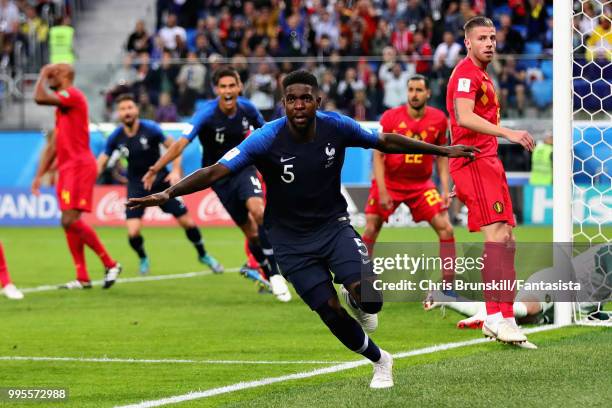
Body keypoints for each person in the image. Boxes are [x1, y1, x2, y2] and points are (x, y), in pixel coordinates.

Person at [127, 70, 477, 388]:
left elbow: (385, 141)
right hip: (289, 240)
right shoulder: (266, 138)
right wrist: (169, 192)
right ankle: (381, 361)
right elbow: (217, 170)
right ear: (283, 104)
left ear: (317, 101)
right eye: (292, 99)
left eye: (305, 98)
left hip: (333, 226)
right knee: (329, 311)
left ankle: (359, 298)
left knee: (371, 297)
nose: (299, 105)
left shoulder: (336, 126)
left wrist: (442, 149)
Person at [142, 68, 291, 302]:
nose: (228, 91)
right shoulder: (206, 114)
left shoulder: (247, 109)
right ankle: (268, 270)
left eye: (232, 85)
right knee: (251, 234)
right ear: (216, 90)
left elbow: (267, 134)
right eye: (223, 87)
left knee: (259, 212)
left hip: (243, 168)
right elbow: (180, 144)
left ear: (239, 87)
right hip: (218, 178)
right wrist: (156, 168)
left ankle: (279, 270)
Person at [447, 16, 535, 347]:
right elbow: (464, 116)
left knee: (506, 238)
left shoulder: (481, 74)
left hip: (482, 161)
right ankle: (500, 318)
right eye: (482, 38)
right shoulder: (467, 74)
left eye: (493, 38)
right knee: (497, 236)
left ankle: (498, 317)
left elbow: (458, 123)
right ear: (467, 42)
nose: (489, 43)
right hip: (475, 161)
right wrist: (508, 132)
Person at [96, 94, 223, 275]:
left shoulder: (151, 129)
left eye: (130, 108)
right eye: (123, 109)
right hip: (136, 185)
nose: (127, 112)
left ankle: (203, 254)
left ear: (136, 109)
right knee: (133, 233)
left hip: (161, 182)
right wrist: (91, 176)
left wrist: (175, 171)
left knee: (187, 222)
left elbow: (176, 148)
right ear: (118, 113)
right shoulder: (116, 137)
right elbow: (101, 161)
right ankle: (143, 258)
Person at [32, 63, 122, 289]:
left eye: (54, 73)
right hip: (67, 168)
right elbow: (53, 145)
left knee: (69, 219)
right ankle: (82, 276)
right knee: (69, 223)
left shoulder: (72, 95)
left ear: (64, 75)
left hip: (80, 166)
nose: (50, 77)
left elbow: (39, 98)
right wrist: (39, 175)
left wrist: (42, 74)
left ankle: (110, 263)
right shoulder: (61, 107)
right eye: (49, 74)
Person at [363, 74, 456, 290]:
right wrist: (383, 191)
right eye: (411, 90)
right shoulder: (390, 117)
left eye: (419, 90)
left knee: (447, 229)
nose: (414, 95)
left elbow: (442, 156)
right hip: (390, 182)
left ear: (428, 93)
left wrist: (443, 187)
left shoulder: (439, 119)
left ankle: (448, 288)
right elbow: (377, 155)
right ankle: (362, 282)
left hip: (421, 185)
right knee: (370, 228)